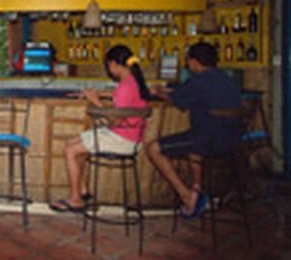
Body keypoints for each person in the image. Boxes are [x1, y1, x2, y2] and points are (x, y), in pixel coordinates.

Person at [49, 45, 150, 212]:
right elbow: (119, 96)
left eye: (108, 66)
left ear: (114, 64)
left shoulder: (125, 86)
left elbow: (115, 120)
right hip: (129, 136)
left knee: (71, 151)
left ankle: (75, 200)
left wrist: (95, 101)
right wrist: (96, 94)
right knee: (72, 143)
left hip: (123, 140)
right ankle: (82, 191)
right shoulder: (132, 81)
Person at [147, 42, 242, 219]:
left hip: (209, 140)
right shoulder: (228, 80)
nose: (187, 64)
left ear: (195, 62)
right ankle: (197, 190)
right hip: (233, 142)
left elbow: (176, 100)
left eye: (188, 60)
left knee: (153, 148)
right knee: (192, 141)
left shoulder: (197, 81)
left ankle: (186, 197)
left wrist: (159, 92)